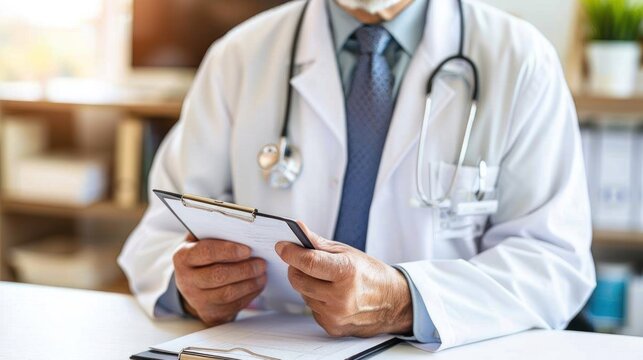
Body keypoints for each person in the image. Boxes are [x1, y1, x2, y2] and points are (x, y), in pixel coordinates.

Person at [119, 0, 596, 351]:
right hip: (261, 347)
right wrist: (190, 287)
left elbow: (553, 261)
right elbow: (161, 235)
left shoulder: (519, 59)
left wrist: (404, 301)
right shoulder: (239, 57)